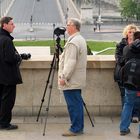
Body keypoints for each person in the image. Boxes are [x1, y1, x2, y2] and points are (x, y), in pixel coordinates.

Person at [58, 18, 87, 136]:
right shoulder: (79, 39)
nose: (66, 26)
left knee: (73, 105)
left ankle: (76, 128)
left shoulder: (73, 42)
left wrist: (64, 77)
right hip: (77, 79)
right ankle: (78, 127)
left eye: (68, 24)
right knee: (77, 104)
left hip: (71, 80)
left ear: (74, 27)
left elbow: (70, 62)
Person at [0, 17, 22, 130]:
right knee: (8, 101)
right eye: (11, 24)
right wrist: (18, 57)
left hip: (1, 76)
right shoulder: (7, 40)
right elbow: (10, 58)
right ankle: (4, 124)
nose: (14, 26)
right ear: (4, 25)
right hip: (8, 76)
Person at [114, 24, 139, 120]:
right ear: (126, 33)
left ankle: (135, 115)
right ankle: (126, 116)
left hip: (136, 74)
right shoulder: (121, 44)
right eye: (130, 32)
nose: (131, 34)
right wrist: (129, 63)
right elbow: (118, 57)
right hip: (123, 73)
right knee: (123, 94)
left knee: (137, 95)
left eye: (133, 32)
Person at [119, 31, 140, 138]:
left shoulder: (127, 48)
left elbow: (122, 63)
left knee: (128, 104)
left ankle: (123, 128)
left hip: (129, 81)